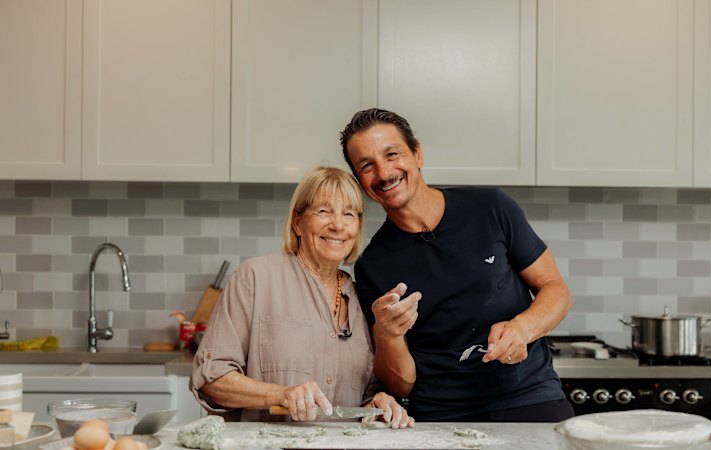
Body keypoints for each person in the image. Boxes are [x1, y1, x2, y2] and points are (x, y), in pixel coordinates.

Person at [339, 108, 574, 422]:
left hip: (529, 396)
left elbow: (556, 290)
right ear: (359, 181)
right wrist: (388, 334)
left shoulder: (491, 208)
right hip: (439, 414)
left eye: (392, 154)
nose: (383, 173)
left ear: (417, 153)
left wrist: (522, 330)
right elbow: (400, 382)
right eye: (366, 165)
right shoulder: (372, 264)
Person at [190, 166, 414, 428]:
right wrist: (281, 394)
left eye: (349, 214)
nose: (338, 224)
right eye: (323, 211)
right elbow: (211, 378)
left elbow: (362, 392)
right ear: (298, 222)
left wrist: (376, 403)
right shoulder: (256, 277)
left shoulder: (362, 296)